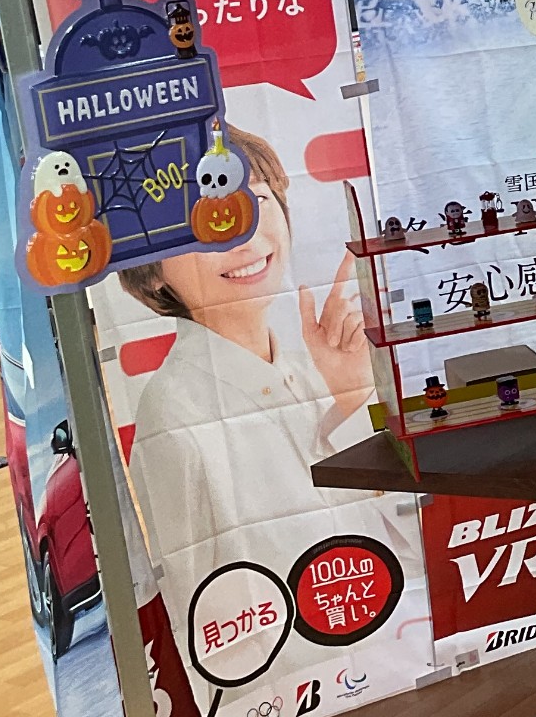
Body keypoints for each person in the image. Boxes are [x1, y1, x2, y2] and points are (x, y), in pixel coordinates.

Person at [118, 125, 417, 680]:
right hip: (293, 698)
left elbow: (417, 548)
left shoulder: (317, 364)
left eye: (253, 203)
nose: (241, 237)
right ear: (151, 268)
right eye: (201, 224)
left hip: (397, 655)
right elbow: (199, 615)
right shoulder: (174, 416)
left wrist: (354, 397)